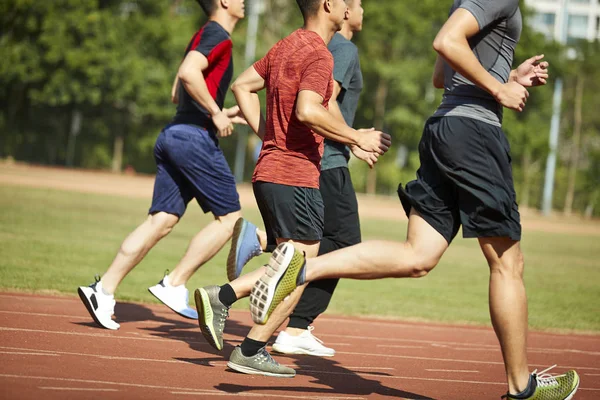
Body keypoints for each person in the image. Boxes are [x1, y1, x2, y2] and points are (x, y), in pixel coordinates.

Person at [248, 0, 580, 399]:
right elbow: (446, 41)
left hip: (445, 128)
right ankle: (521, 387)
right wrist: (498, 87)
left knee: (417, 256)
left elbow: (443, 75)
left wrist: (508, 73)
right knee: (509, 263)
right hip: (475, 134)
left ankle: (301, 270)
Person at [194, 0, 391, 378]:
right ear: (330, 5)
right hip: (295, 177)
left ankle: (233, 308)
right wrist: (355, 138)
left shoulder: (286, 45)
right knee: (301, 271)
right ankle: (248, 343)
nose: (352, 6)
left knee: (291, 264)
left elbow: (242, 86)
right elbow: (307, 110)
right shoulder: (320, 54)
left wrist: (268, 135)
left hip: (268, 173)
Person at [77, 0, 251, 330]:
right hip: (194, 139)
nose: (244, 1)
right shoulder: (219, 36)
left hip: (174, 134)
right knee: (230, 220)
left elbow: (177, 92)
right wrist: (214, 113)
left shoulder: (201, 35)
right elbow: (187, 74)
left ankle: (103, 290)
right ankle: (174, 284)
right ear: (224, 2)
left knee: (161, 220)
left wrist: (217, 112)